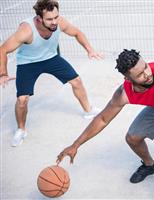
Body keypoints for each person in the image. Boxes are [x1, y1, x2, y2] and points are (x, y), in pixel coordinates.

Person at [56, 49, 154, 200]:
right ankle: (150, 165)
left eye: (145, 67)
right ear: (127, 79)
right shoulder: (124, 93)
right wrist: (75, 145)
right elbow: (102, 119)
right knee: (132, 138)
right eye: (139, 75)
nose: (147, 74)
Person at [0, 0, 103, 147]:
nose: (54, 21)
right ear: (39, 18)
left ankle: (88, 110)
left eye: (56, 17)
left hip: (50, 58)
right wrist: (3, 73)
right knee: (22, 100)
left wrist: (90, 50)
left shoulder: (59, 22)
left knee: (77, 81)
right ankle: (21, 129)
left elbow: (77, 32)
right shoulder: (26, 30)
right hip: (28, 63)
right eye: (49, 19)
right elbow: (3, 49)